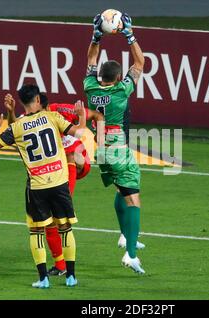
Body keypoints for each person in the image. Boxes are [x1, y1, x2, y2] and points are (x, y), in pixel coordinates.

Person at [0, 83, 86, 288]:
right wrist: (80, 115)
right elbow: (79, 132)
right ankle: (71, 277)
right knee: (66, 228)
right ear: (39, 100)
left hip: (37, 187)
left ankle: (43, 279)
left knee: (36, 232)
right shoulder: (52, 117)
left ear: (22, 102)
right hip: (60, 182)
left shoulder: (17, 127)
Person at [4, 92, 105, 276]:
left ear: (40, 104)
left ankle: (63, 267)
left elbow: (98, 116)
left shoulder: (58, 111)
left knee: (71, 157)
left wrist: (100, 139)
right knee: (50, 222)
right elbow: (12, 127)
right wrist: (10, 113)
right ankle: (61, 266)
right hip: (53, 170)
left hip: (72, 162)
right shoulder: (28, 119)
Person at [84, 13, 146, 274]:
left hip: (101, 150)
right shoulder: (122, 91)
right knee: (134, 200)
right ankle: (130, 255)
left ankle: (124, 236)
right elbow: (140, 63)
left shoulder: (90, 87)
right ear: (119, 78)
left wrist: (96, 36)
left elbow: (90, 60)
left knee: (121, 192)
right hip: (118, 150)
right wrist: (129, 34)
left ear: (100, 77)